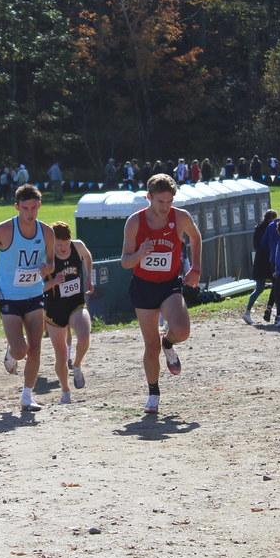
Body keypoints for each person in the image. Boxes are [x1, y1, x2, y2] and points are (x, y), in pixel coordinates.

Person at [121, 173, 203, 415]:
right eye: (160, 202)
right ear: (149, 198)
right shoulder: (135, 222)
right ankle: (153, 393)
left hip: (169, 285)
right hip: (143, 287)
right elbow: (125, 261)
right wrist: (139, 254)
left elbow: (196, 237)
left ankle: (169, 342)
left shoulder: (181, 218)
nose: (165, 207)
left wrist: (195, 269)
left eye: (169, 201)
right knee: (150, 346)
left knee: (182, 331)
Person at [0, 184, 55, 412]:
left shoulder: (47, 232)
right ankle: (12, 352)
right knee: (21, 350)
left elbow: (51, 262)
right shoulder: (3, 230)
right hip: (9, 296)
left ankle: (27, 396)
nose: (30, 214)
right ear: (17, 207)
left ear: (39, 206)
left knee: (36, 349)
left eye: (34, 208)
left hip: (34, 293)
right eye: (25, 209)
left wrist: (46, 269)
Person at [42, 222, 95, 404]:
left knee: (84, 337)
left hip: (76, 303)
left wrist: (89, 278)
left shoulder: (77, 246)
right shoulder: (45, 256)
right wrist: (54, 282)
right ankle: (65, 391)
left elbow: (87, 257)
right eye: (59, 246)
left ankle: (78, 365)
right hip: (54, 307)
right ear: (52, 243)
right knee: (61, 354)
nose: (63, 249)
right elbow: (37, 287)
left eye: (66, 244)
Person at [242, 209, 277, 325]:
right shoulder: (271, 228)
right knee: (276, 286)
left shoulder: (258, 228)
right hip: (269, 261)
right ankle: (275, 311)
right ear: (272, 218)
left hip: (259, 260)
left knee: (259, 288)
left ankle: (247, 312)